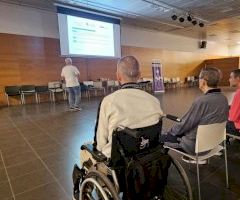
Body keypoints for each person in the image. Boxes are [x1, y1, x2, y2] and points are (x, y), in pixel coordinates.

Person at [73, 56, 163, 199]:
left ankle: (91, 191)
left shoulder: (109, 101)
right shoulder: (154, 101)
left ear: (118, 76)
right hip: (148, 159)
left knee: (85, 150)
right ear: (139, 76)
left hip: (118, 166)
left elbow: (100, 142)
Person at [160, 67, 229, 163]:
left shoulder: (202, 101)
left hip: (195, 146)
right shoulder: (223, 98)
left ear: (204, 82)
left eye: (199, 78)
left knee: (161, 137)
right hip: (213, 143)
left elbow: (186, 123)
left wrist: (171, 132)